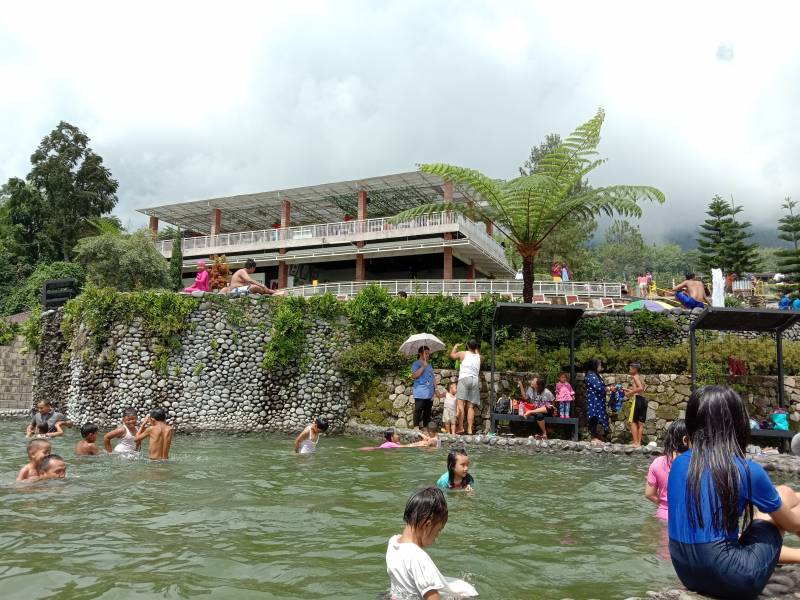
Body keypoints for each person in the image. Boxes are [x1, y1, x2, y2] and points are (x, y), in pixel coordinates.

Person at [667, 386, 800, 599]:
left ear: (692, 423)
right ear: (738, 424)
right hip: (735, 580)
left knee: (783, 496)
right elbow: (793, 525)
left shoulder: (679, 464)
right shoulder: (746, 469)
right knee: (784, 493)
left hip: (687, 574)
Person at [385, 486, 478, 599]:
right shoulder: (418, 558)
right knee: (468, 592)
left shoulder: (393, 543)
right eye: (438, 530)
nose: (436, 537)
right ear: (427, 525)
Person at [645, 419, 689, 520]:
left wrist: (665, 506)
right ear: (686, 439)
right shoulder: (695, 463)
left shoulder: (657, 462)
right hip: (687, 518)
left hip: (663, 516)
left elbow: (649, 494)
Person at [450, 339, 481, 435]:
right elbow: (476, 352)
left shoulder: (463, 353)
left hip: (464, 378)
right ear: (476, 348)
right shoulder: (479, 357)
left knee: (460, 404)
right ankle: (470, 430)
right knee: (470, 406)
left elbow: (452, 356)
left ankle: (460, 427)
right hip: (475, 380)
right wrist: (475, 349)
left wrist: (455, 347)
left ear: (467, 346)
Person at [411, 346, 440, 430]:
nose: (428, 355)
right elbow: (414, 376)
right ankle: (416, 426)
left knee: (427, 411)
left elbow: (432, 377)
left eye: (428, 354)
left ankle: (425, 427)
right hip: (420, 391)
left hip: (429, 392)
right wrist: (423, 366)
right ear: (420, 354)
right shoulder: (416, 363)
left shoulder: (429, 365)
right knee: (418, 409)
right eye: (426, 353)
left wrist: (436, 389)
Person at [585, 359, 609, 443]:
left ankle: (596, 435)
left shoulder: (596, 375)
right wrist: (609, 388)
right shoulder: (591, 375)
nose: (600, 366)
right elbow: (598, 387)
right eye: (599, 365)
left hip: (598, 400)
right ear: (594, 365)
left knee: (597, 417)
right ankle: (593, 436)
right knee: (593, 417)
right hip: (593, 400)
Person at [625, 362, 647, 447]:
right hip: (643, 400)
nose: (629, 370)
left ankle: (635, 442)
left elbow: (640, 388)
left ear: (635, 369)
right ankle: (639, 443)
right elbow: (642, 388)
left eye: (630, 368)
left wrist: (630, 393)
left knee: (633, 422)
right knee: (640, 422)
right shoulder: (640, 377)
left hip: (637, 400)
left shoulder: (635, 377)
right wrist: (626, 390)